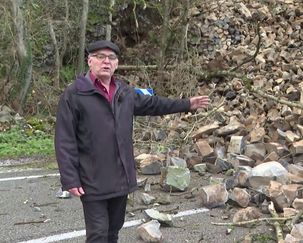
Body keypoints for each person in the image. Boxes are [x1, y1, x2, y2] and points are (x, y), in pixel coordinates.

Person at [54, 40, 209, 243]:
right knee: (98, 233)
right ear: (90, 61)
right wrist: (70, 179)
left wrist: (186, 104)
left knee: (113, 231)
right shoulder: (75, 95)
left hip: (121, 176)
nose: (106, 62)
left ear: (117, 64)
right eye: (100, 57)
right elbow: (64, 139)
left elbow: (154, 104)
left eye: (111, 58)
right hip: (92, 179)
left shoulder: (124, 92)